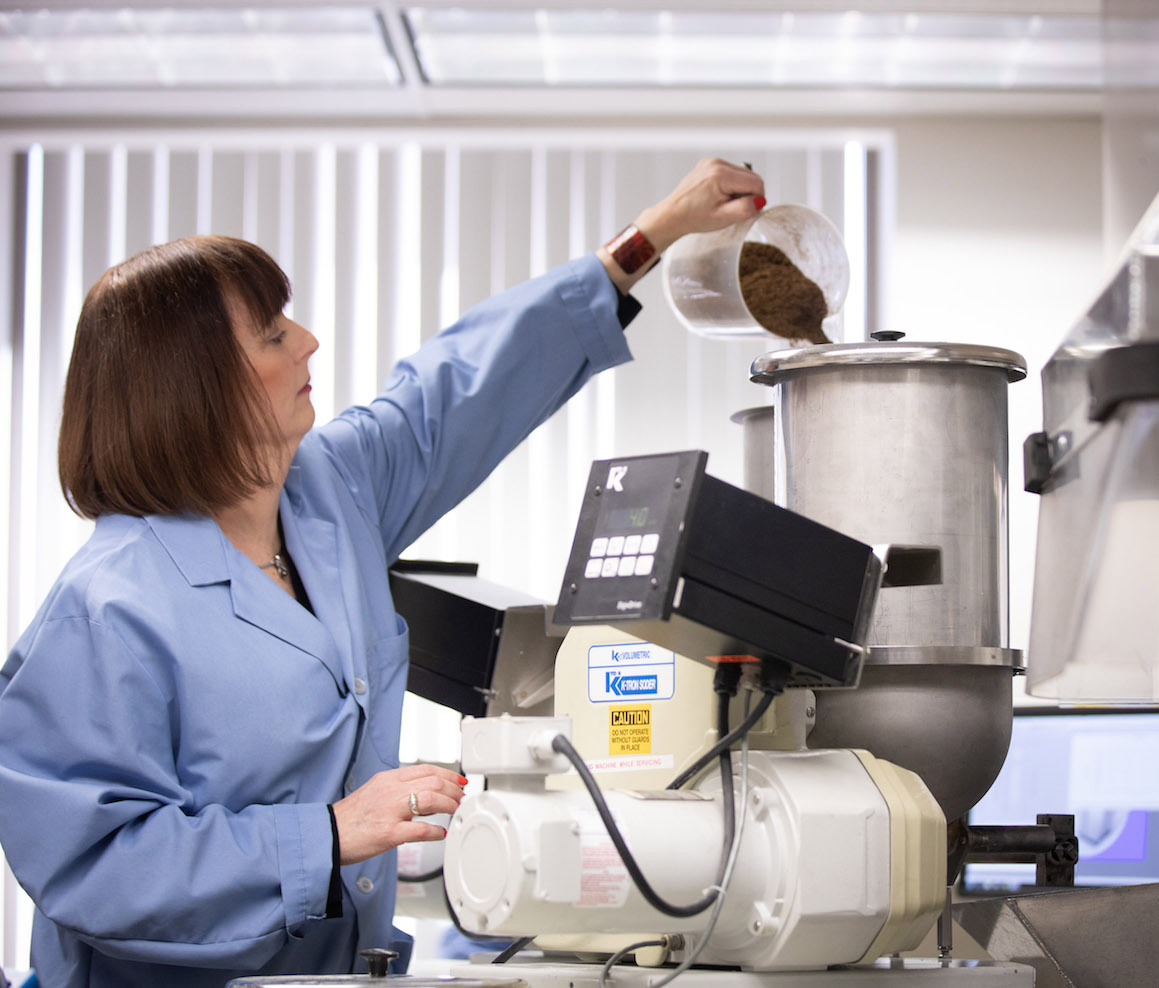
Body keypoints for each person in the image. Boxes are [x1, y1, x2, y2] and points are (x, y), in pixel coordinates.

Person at [0, 157, 766, 988]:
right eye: (271, 333)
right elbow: (97, 865)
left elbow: (458, 392)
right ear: (197, 391)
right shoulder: (106, 607)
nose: (308, 340)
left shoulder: (330, 491)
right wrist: (329, 834)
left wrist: (651, 235)